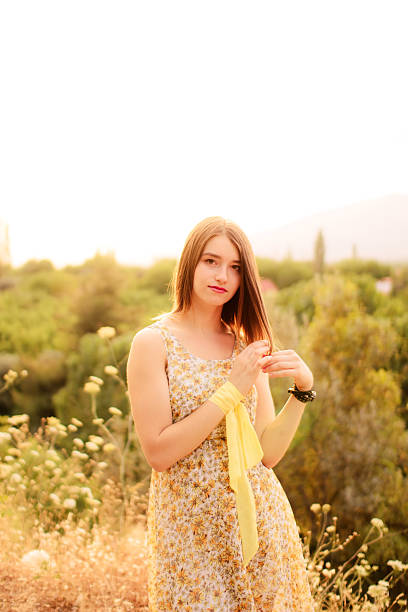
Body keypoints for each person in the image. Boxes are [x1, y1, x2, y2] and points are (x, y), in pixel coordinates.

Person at [126, 216, 316, 611]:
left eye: (235, 267)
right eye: (211, 261)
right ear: (190, 263)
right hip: (189, 530)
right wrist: (232, 389)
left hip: (260, 523)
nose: (222, 276)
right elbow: (158, 453)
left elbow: (267, 454)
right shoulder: (152, 344)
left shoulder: (245, 345)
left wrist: (302, 391)